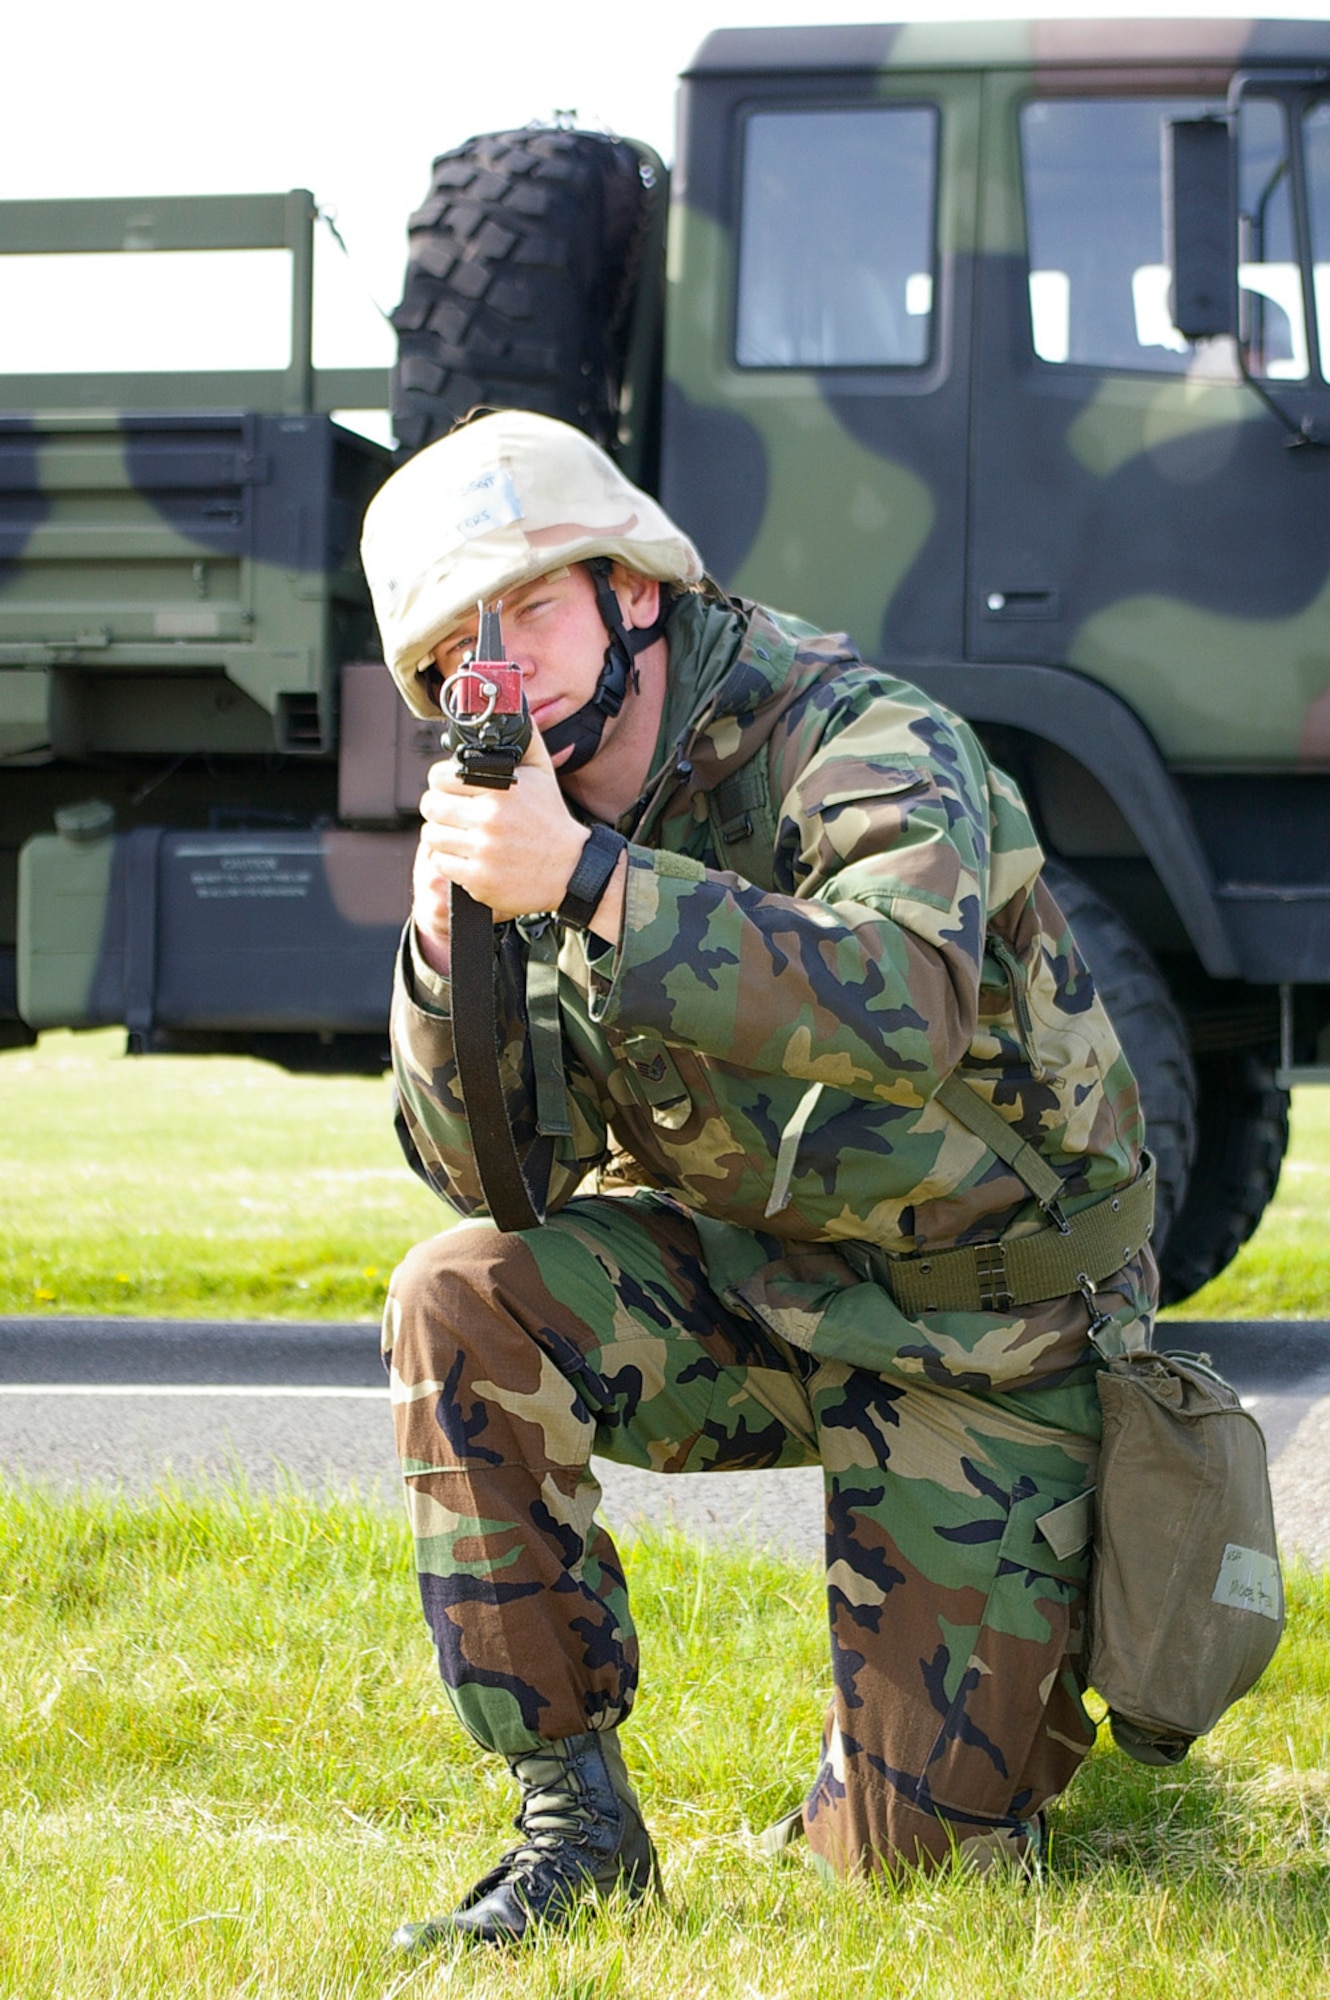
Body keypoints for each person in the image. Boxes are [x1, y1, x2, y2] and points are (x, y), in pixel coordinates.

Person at [358, 408, 1157, 1948]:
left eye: (527, 607)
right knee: (458, 1294)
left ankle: (988, 1690)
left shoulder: (857, 734)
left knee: (910, 1873)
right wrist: (447, 949)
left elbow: (906, 1006)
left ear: (633, 591)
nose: (498, 666)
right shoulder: (529, 805)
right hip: (772, 1287)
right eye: (459, 644)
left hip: (991, 1333)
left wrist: (588, 887)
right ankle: (569, 1819)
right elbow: (491, 1178)